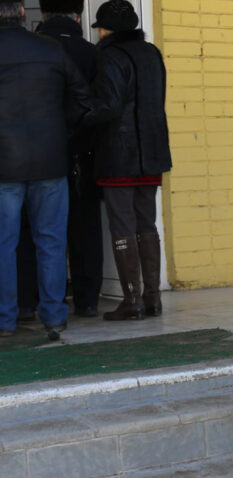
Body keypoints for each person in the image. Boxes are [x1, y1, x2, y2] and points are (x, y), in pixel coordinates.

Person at [0, 0, 94, 340]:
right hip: (51, 160)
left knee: (3, 244)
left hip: (3, 166)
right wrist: (58, 130)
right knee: (51, 241)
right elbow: (84, 100)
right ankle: (54, 316)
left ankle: (5, 319)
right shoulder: (51, 49)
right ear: (23, 13)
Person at [85, 0, 172, 321]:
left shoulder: (109, 56)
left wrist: (78, 117)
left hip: (119, 154)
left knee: (122, 225)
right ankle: (152, 299)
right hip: (152, 152)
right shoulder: (152, 53)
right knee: (146, 224)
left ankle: (131, 300)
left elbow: (108, 105)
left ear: (106, 29)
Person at [38, 0, 103, 318]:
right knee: (85, 226)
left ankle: (34, 300)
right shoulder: (93, 53)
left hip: (37, 154)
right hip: (83, 151)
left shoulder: (34, 49)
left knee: (38, 230)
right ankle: (88, 299)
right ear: (77, 15)